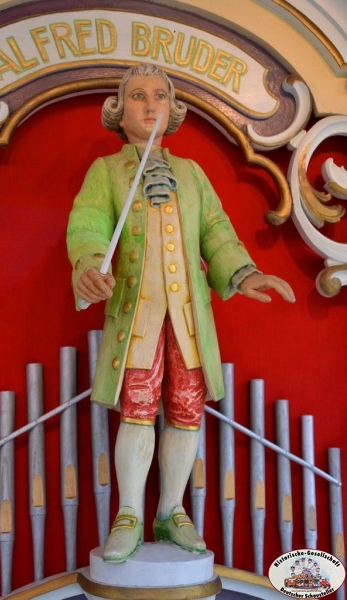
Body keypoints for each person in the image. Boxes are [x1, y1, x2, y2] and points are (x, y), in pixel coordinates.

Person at [67, 63, 295, 563]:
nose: (150, 105)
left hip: (189, 317)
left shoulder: (191, 174)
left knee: (187, 409)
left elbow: (216, 230)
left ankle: (171, 509)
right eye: (138, 96)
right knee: (137, 405)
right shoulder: (106, 171)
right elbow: (87, 225)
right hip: (138, 314)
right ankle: (128, 511)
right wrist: (88, 263)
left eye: (160, 96)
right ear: (118, 110)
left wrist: (243, 273)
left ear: (172, 110)